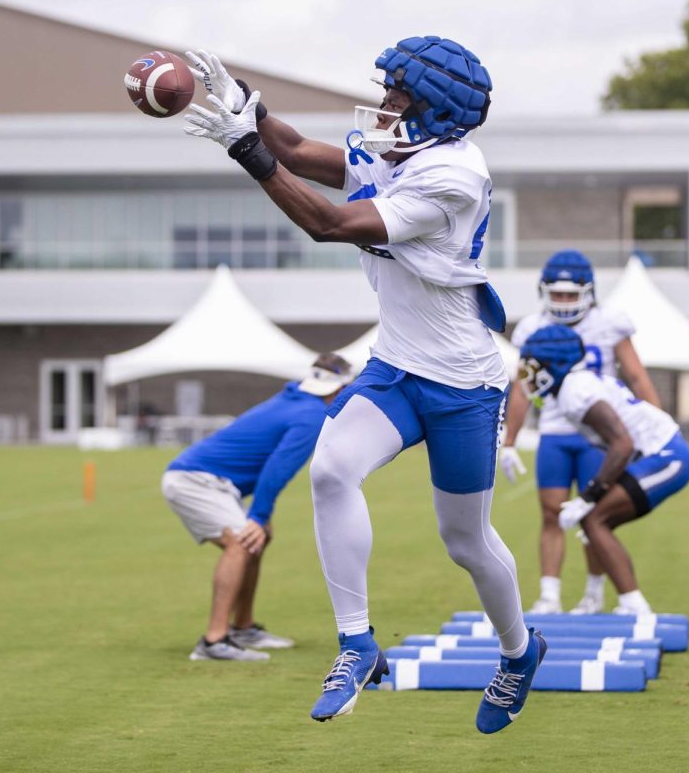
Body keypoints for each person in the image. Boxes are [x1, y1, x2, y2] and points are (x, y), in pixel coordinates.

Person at [181, 38, 543, 733]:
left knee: (464, 539)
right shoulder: (403, 148)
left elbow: (331, 223)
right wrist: (244, 102)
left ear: (435, 110)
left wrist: (244, 151)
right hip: (397, 367)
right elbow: (292, 147)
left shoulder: (452, 177)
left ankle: (519, 652)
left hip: (463, 383)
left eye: (398, 96)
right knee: (332, 470)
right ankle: (356, 645)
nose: (385, 105)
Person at [161, 353, 354, 662]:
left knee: (256, 539)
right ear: (342, 388)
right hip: (196, 479)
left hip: (211, 481)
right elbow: (278, 469)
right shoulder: (311, 415)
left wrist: (260, 518)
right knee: (239, 543)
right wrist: (259, 513)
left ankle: (243, 628)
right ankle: (213, 641)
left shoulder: (295, 398)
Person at [502, 250, 660, 615]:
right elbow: (523, 386)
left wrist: (655, 425)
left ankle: (593, 593)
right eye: (556, 294)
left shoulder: (609, 323)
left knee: (592, 516)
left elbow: (636, 375)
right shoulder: (531, 328)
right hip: (555, 431)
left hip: (598, 434)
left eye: (570, 294)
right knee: (550, 513)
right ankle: (550, 595)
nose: (563, 302)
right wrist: (509, 441)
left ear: (589, 292)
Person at [518, 325, 689, 616]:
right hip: (658, 454)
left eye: (534, 366)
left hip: (666, 455)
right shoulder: (574, 387)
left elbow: (622, 444)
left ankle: (634, 605)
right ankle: (625, 601)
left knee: (595, 520)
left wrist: (589, 495)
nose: (528, 374)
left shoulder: (575, 391)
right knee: (595, 522)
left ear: (554, 364)